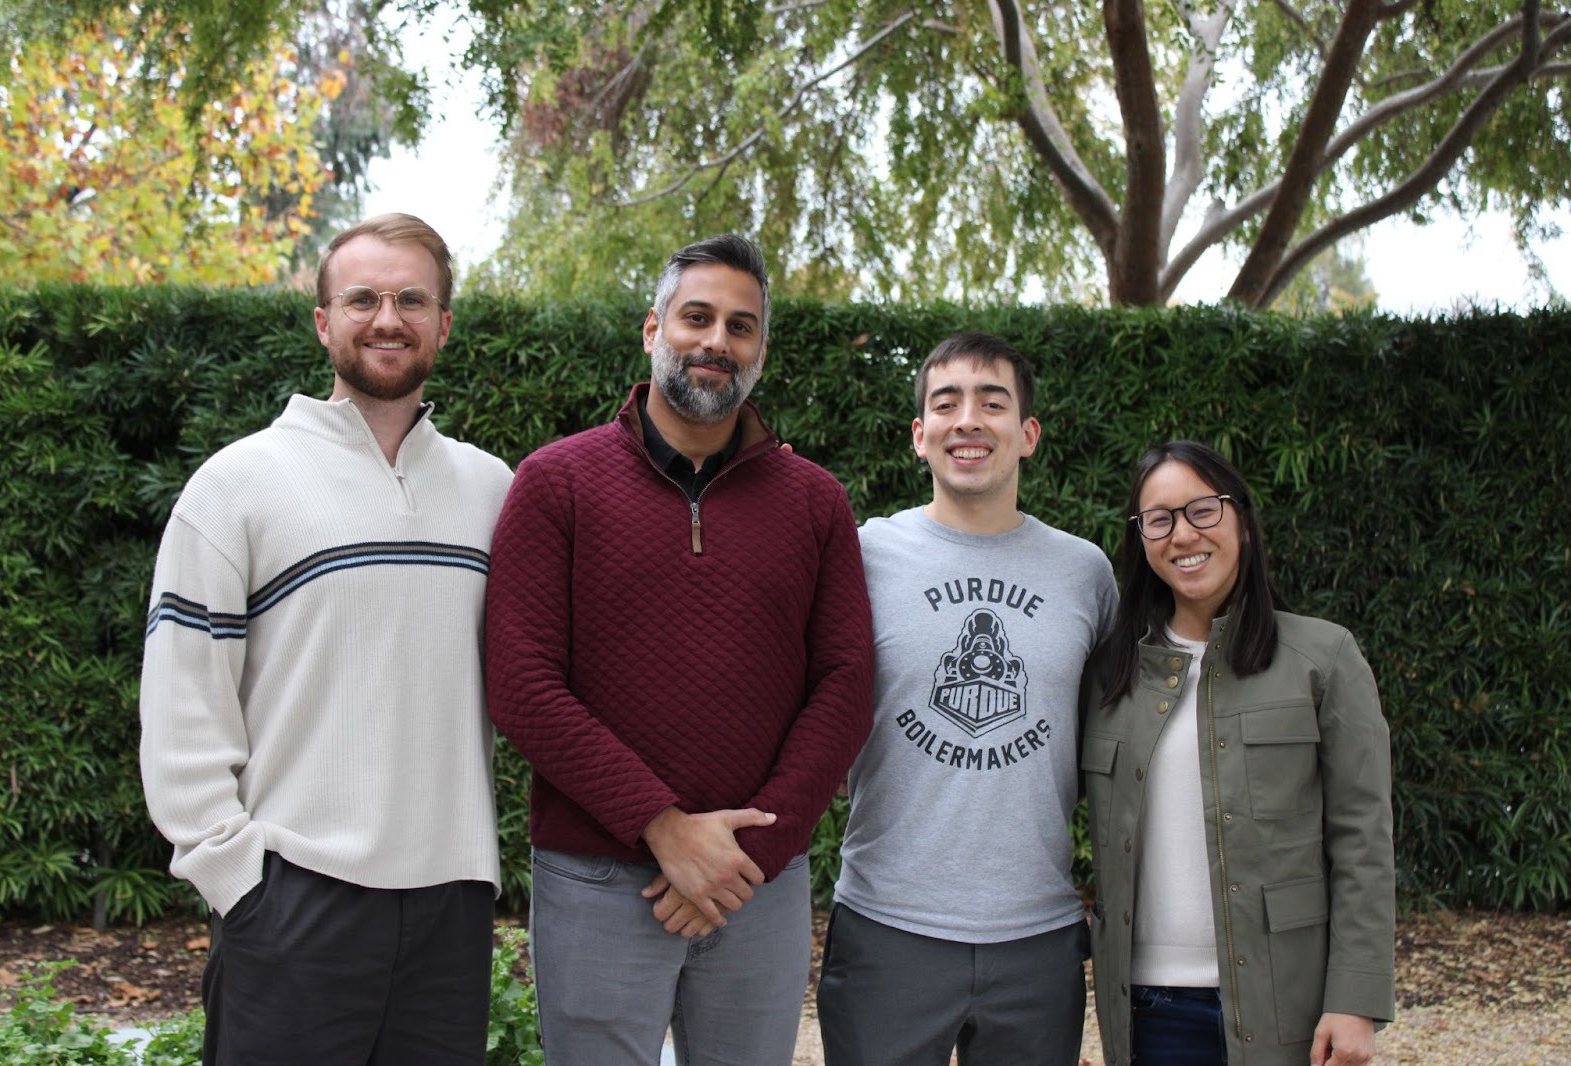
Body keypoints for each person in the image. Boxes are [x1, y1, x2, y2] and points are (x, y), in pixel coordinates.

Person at [484, 233, 875, 1065]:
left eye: (741, 326)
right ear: (653, 329)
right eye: (697, 317)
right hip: (597, 878)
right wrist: (662, 827)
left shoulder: (816, 503)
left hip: (757, 884)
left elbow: (846, 684)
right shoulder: (555, 483)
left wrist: (746, 857)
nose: (716, 341)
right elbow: (521, 683)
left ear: (760, 350)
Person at [138, 213, 512, 1064]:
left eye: (412, 300)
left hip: (451, 910)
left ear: (444, 324)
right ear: (323, 321)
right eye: (362, 298)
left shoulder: (492, 489)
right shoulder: (235, 485)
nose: (388, 318)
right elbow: (183, 700)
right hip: (291, 902)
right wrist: (236, 880)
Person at [816, 331, 1118, 1066]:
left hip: (1038, 937)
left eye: (992, 402)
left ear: (1028, 434)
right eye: (946, 403)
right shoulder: (860, 556)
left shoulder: (1086, 573)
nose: (968, 420)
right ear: (920, 435)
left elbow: (1116, 735)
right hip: (886, 926)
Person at [1083, 440, 1395, 1066]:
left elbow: (1363, 838)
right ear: (1141, 540)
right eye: (1158, 519)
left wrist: (1355, 1000)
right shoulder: (1110, 674)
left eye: (1202, 510)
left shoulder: (1323, 658)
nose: (1182, 534)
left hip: (1286, 1002)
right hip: (1147, 1010)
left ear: (1243, 522)